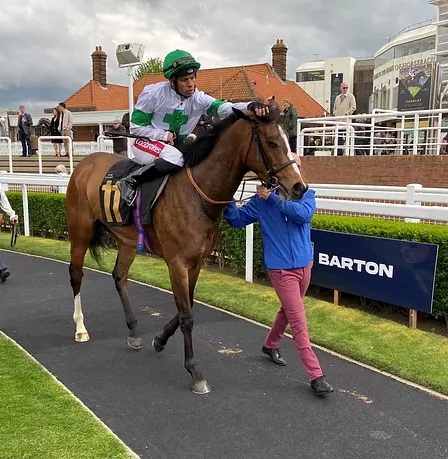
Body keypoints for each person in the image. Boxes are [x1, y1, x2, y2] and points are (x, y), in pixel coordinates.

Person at [223, 156, 334, 396]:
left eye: (297, 167)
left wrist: (271, 199)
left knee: (288, 310)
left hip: (305, 265)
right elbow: (236, 220)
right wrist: (228, 195)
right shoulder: (259, 202)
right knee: (298, 321)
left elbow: (303, 215)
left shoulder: (306, 195)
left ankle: (270, 345)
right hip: (281, 271)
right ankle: (316, 376)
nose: (295, 172)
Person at [116, 49, 270, 206]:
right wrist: (162, 135)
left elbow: (223, 107)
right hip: (144, 143)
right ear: (172, 81)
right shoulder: (153, 94)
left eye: (192, 77)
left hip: (173, 146)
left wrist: (250, 106)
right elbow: (135, 128)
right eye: (184, 80)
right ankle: (130, 181)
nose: (191, 84)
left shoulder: (198, 99)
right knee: (175, 158)